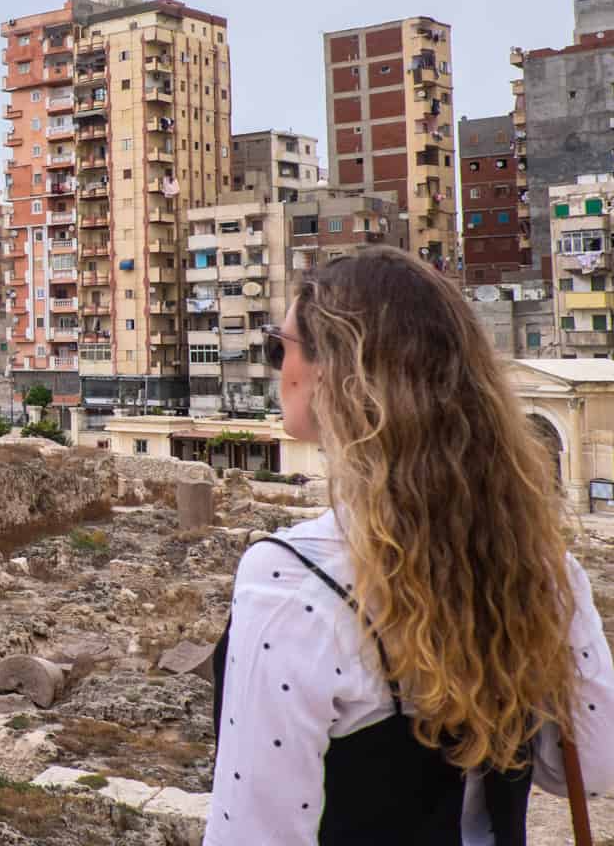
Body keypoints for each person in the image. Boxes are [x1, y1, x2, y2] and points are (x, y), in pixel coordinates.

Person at [205, 246, 614, 844]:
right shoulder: (547, 572)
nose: (276, 368)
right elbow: (597, 763)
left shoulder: (292, 584)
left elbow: (255, 832)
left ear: (335, 372)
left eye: (278, 346)